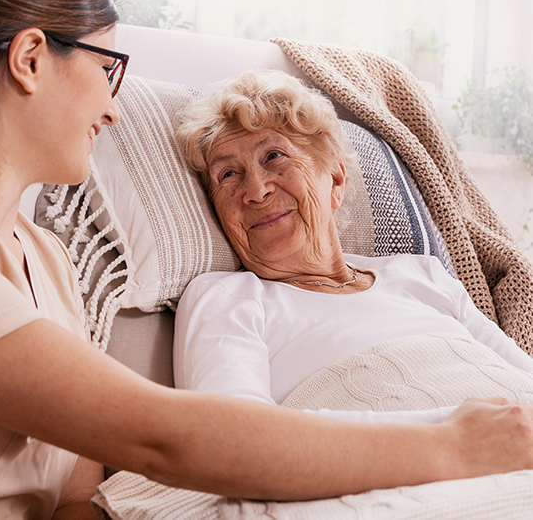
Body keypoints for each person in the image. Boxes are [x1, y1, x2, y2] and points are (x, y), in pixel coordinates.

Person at [0, 0, 532, 520]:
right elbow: (158, 438)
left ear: (336, 177)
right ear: (30, 58)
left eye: (276, 159)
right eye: (108, 70)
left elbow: (73, 497)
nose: (114, 109)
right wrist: (454, 444)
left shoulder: (51, 264)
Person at [173, 69, 533, 435]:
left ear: (337, 180)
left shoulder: (424, 274)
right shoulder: (226, 298)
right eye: (228, 175)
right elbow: (236, 435)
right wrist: (459, 434)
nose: (256, 190)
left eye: (274, 156)